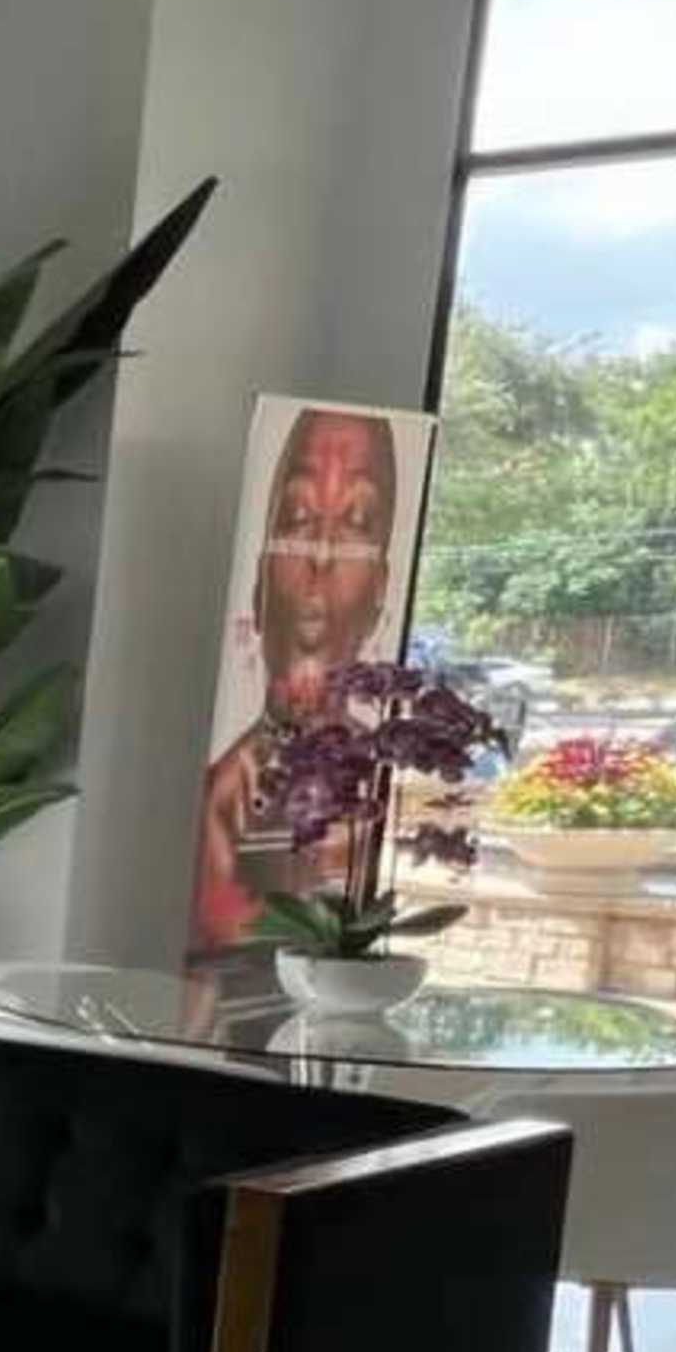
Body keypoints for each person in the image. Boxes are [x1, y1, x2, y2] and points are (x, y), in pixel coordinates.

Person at [193, 406, 403, 950]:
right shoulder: (224, 793)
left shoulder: (385, 789)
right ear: (260, 581)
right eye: (298, 517)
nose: (323, 556)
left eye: (357, 520)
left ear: (381, 589)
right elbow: (222, 940)